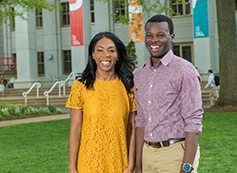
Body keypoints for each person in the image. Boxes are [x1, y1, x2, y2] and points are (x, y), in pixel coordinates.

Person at [134, 14, 203, 173]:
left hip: (175, 153)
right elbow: (141, 121)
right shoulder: (140, 74)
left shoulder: (185, 71)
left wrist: (186, 168)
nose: (154, 40)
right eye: (149, 35)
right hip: (147, 153)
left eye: (160, 35)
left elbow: (193, 121)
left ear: (171, 37)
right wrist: (139, 165)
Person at [66, 31, 136, 173]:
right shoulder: (81, 86)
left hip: (119, 166)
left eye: (111, 50)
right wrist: (72, 167)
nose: (106, 55)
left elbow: (132, 129)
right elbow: (75, 129)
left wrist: (130, 166)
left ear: (118, 55)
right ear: (93, 54)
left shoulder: (128, 87)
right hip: (87, 165)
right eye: (100, 50)